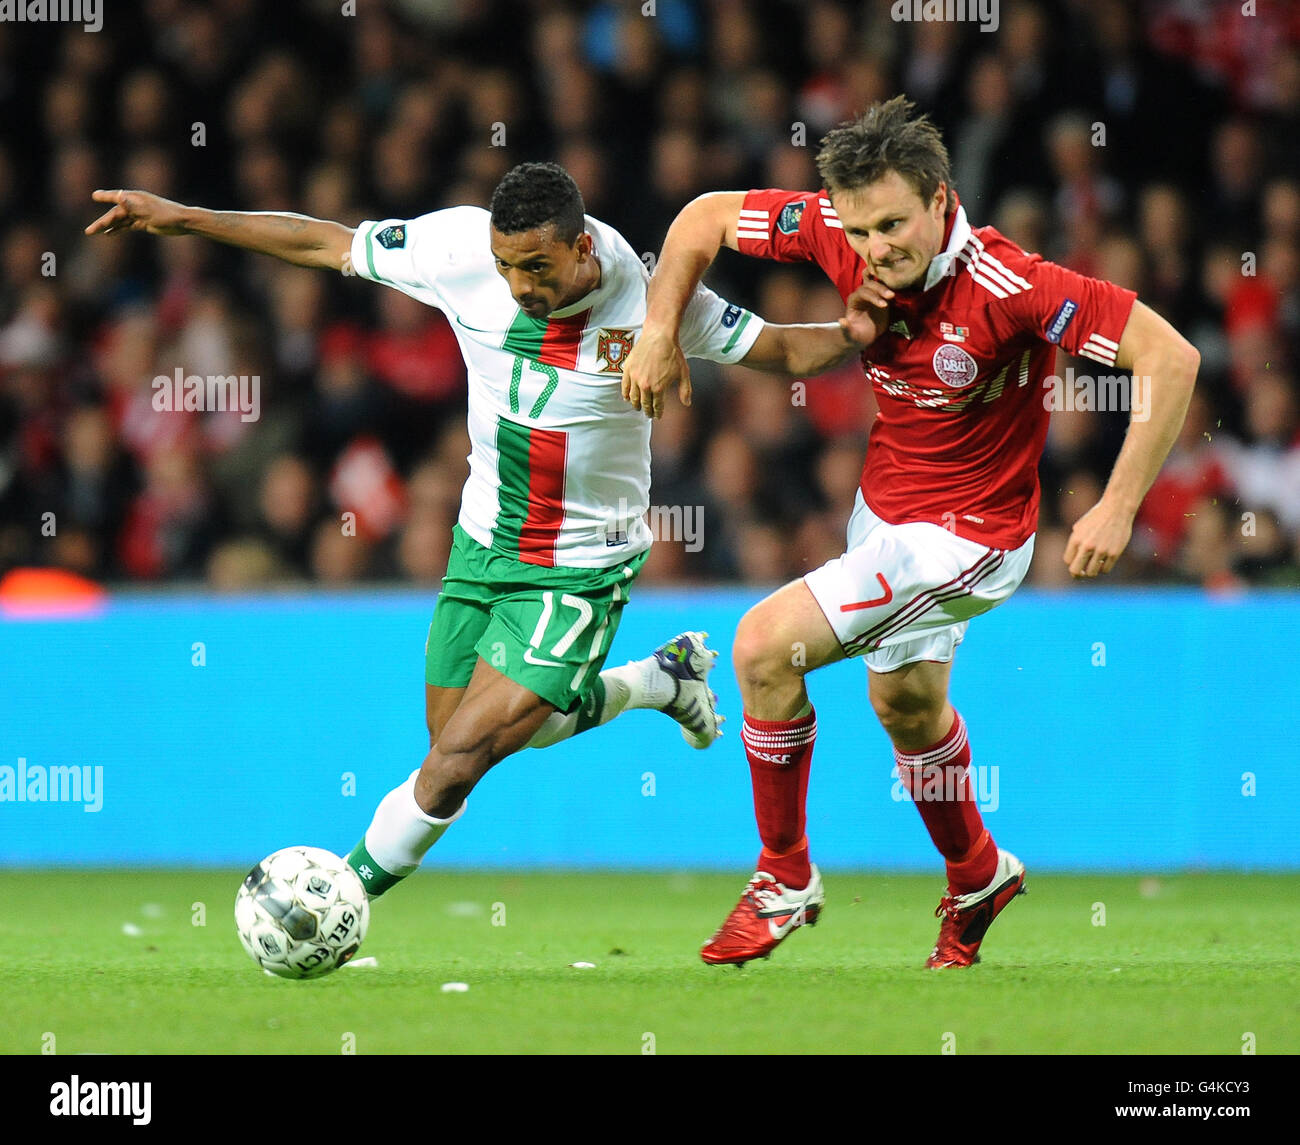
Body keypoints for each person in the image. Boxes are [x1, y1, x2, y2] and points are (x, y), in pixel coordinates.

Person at [86, 162, 878, 899]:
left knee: (457, 759)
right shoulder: (459, 248)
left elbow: (774, 346)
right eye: (506, 266)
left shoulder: (651, 300)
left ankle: (336, 901)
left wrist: (850, 337)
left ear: (581, 246)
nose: (517, 285)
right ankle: (657, 682)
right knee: (461, 730)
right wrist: (185, 217)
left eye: (536, 268)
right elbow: (321, 240)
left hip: (579, 565)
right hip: (481, 541)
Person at [622, 97, 1200, 968]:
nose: (874, 248)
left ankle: (783, 875)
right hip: (885, 516)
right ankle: (978, 872)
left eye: (893, 224)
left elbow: (1171, 356)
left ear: (940, 198)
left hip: (970, 539)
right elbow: (701, 219)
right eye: (858, 231)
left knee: (762, 647)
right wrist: (659, 330)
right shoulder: (832, 224)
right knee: (906, 706)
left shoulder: (1012, 286)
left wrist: (1119, 504)